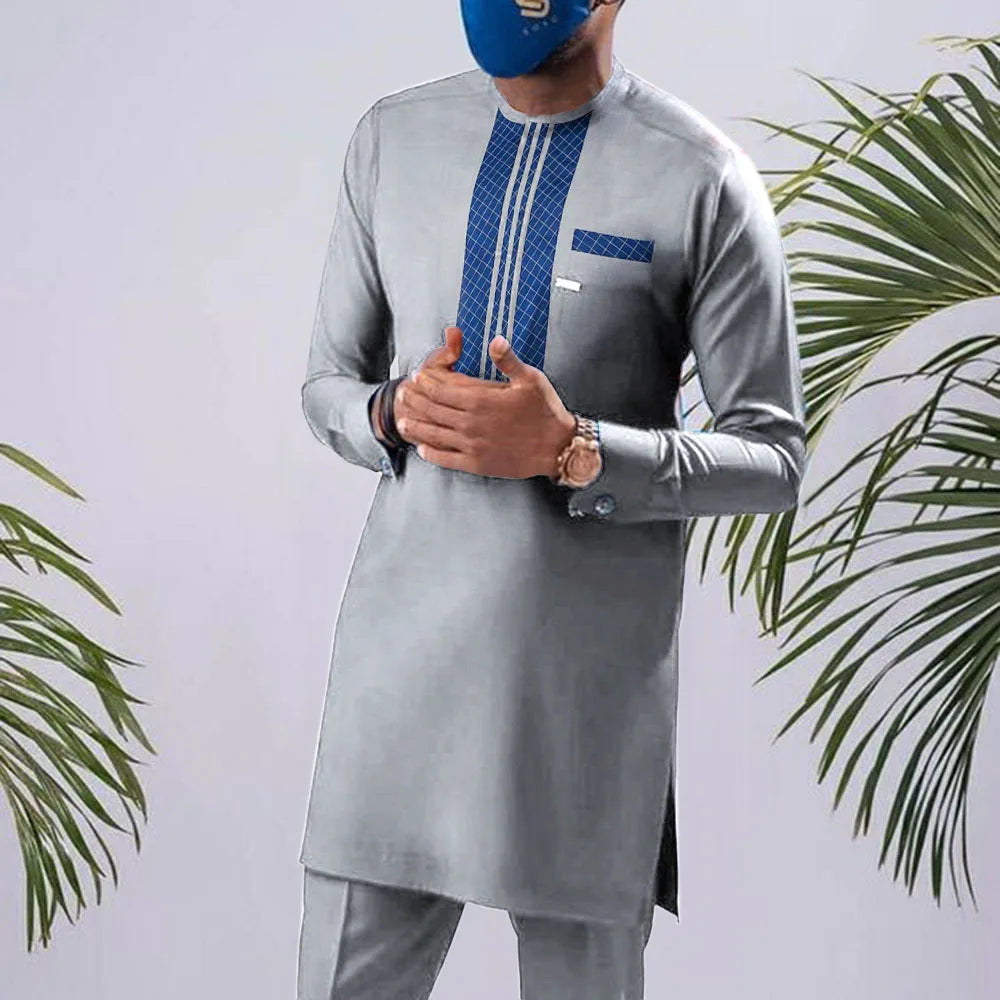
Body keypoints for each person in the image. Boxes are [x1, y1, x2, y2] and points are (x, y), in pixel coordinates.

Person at [296, 1, 808, 997]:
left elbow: (773, 457)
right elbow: (326, 385)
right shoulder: (393, 139)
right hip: (392, 690)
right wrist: (392, 410)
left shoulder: (701, 176)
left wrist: (576, 451)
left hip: (581, 708)